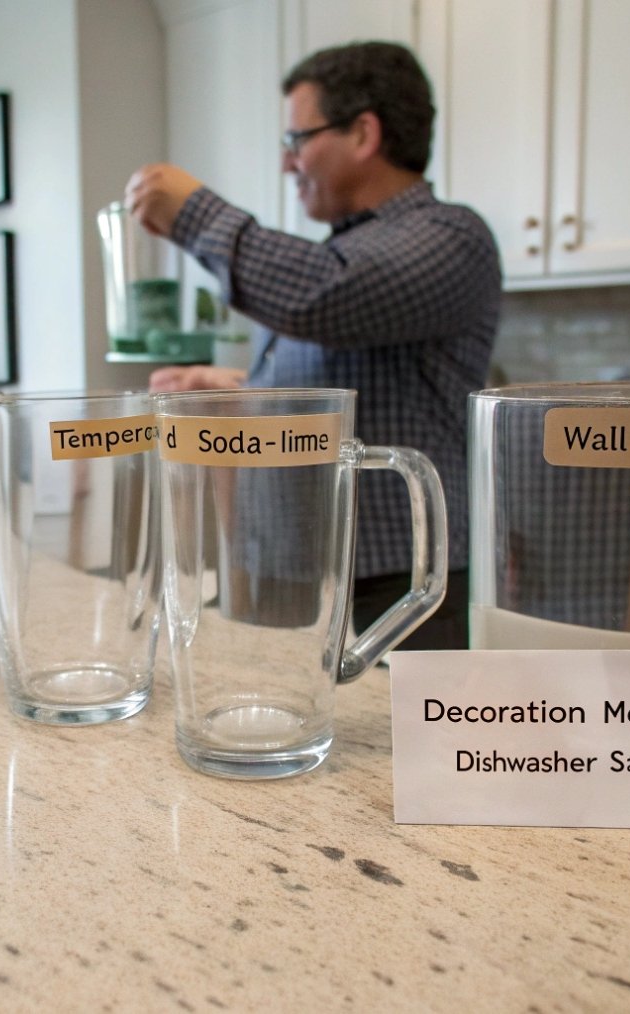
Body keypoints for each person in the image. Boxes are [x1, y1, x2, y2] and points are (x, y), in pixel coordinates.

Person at [126, 40, 501, 649]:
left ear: (363, 133)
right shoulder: (344, 252)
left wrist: (193, 214)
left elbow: (324, 297)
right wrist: (244, 392)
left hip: (397, 584)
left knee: (394, 746)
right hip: (292, 571)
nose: (287, 163)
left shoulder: (450, 235)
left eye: (296, 140)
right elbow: (344, 381)